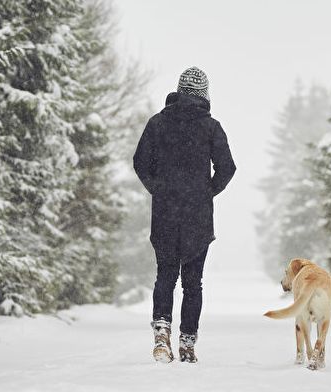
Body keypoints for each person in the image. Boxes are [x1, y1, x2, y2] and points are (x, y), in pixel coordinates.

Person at [133, 67, 236, 363]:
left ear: (178, 91)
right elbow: (227, 168)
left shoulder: (157, 123)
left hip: (165, 213)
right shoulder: (211, 127)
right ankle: (187, 344)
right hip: (197, 217)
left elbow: (140, 162)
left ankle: (162, 333)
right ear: (204, 95)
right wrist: (205, 193)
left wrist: (159, 189)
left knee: (165, 274)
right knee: (193, 282)